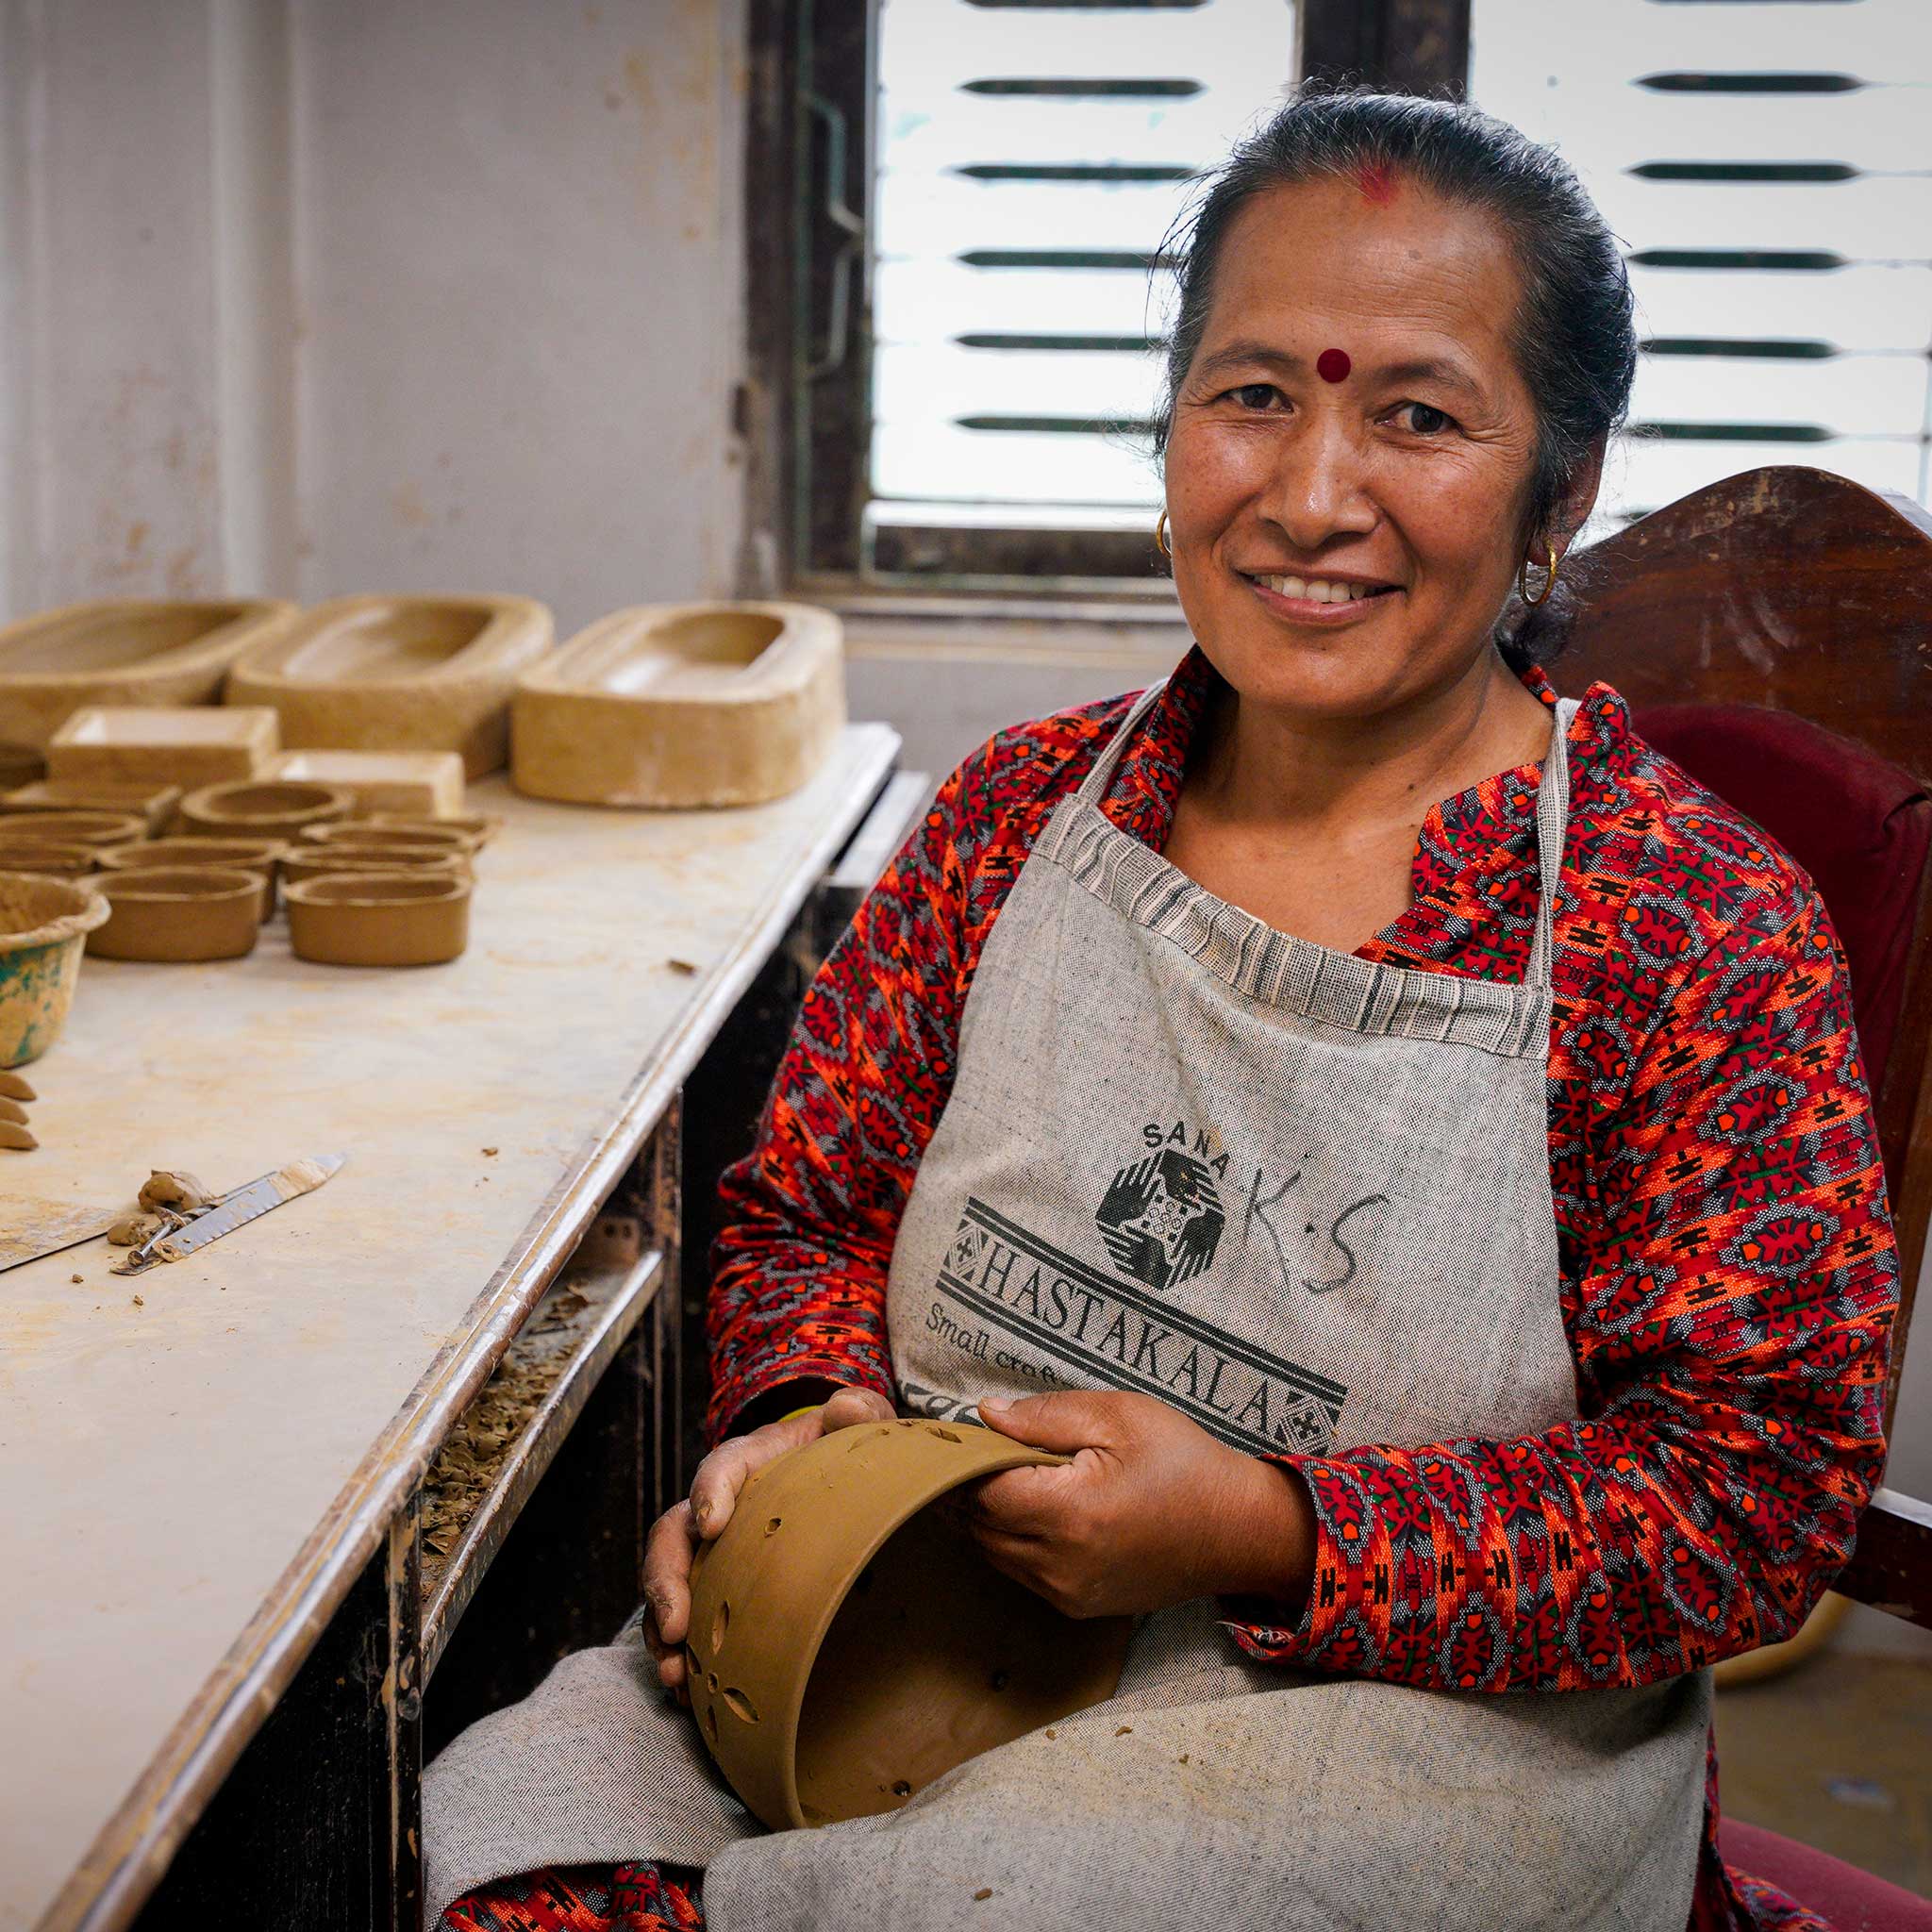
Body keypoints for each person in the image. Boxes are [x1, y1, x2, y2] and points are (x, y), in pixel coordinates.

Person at [429, 88, 1897, 1932]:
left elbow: (1748, 1502)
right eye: (1253, 394)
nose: (1310, 498)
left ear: (1563, 482)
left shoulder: (1681, 930)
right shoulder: (1020, 815)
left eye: (1418, 416)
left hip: (1411, 1742)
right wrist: (804, 1429)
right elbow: (809, 1212)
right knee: (505, 1847)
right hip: (908, 1648)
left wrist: (1267, 1527)